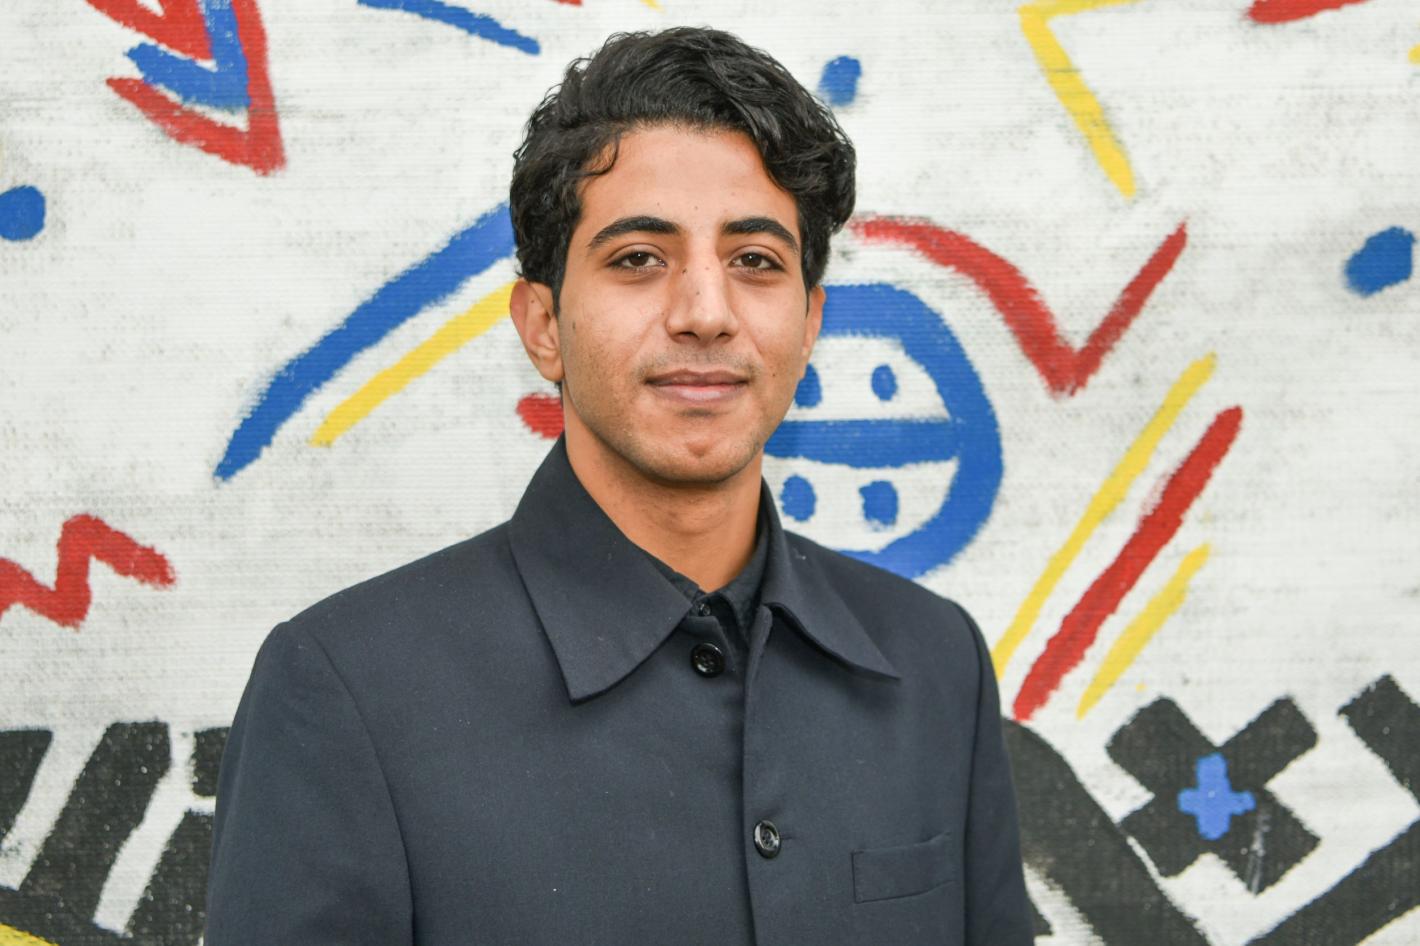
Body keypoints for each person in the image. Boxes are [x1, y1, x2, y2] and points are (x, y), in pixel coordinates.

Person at [204, 26, 1033, 945]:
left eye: (756, 261)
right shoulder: (346, 690)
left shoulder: (933, 663)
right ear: (543, 324)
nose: (706, 314)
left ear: (809, 326)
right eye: (639, 257)